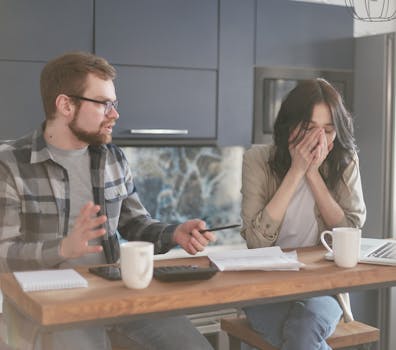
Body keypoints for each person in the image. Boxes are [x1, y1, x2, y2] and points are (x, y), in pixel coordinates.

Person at [0, 51, 216, 350]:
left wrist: (175, 233)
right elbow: (2, 252)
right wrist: (62, 249)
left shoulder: (112, 157)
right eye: (103, 104)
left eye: (113, 104)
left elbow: (135, 223)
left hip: (116, 293)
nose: (114, 114)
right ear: (65, 105)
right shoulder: (9, 163)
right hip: (50, 304)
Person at [240, 78, 366, 350]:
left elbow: (351, 231)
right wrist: (296, 170)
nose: (319, 140)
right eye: (309, 129)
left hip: (323, 286)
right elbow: (256, 242)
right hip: (265, 285)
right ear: (289, 127)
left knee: (301, 331)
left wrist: (312, 174)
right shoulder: (257, 160)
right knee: (298, 338)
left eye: (329, 131)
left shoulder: (345, 162)